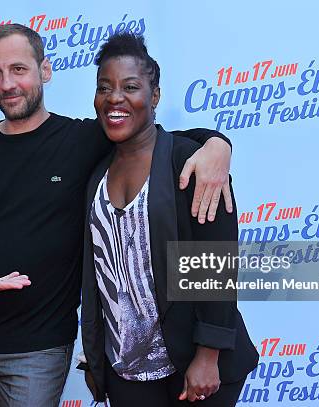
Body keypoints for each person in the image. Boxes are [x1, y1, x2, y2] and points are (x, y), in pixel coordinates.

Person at [0, 24, 234, 407]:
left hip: (41, 350)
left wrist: (217, 144)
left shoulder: (85, 141)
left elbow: (153, 132)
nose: (7, 83)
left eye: (18, 69)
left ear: (44, 71)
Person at [80, 33, 259, 406]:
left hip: (191, 365)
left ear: (155, 95)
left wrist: (207, 354)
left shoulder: (189, 163)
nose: (115, 97)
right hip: (127, 372)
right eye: (104, 88)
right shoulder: (95, 173)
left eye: (130, 86)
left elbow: (214, 265)